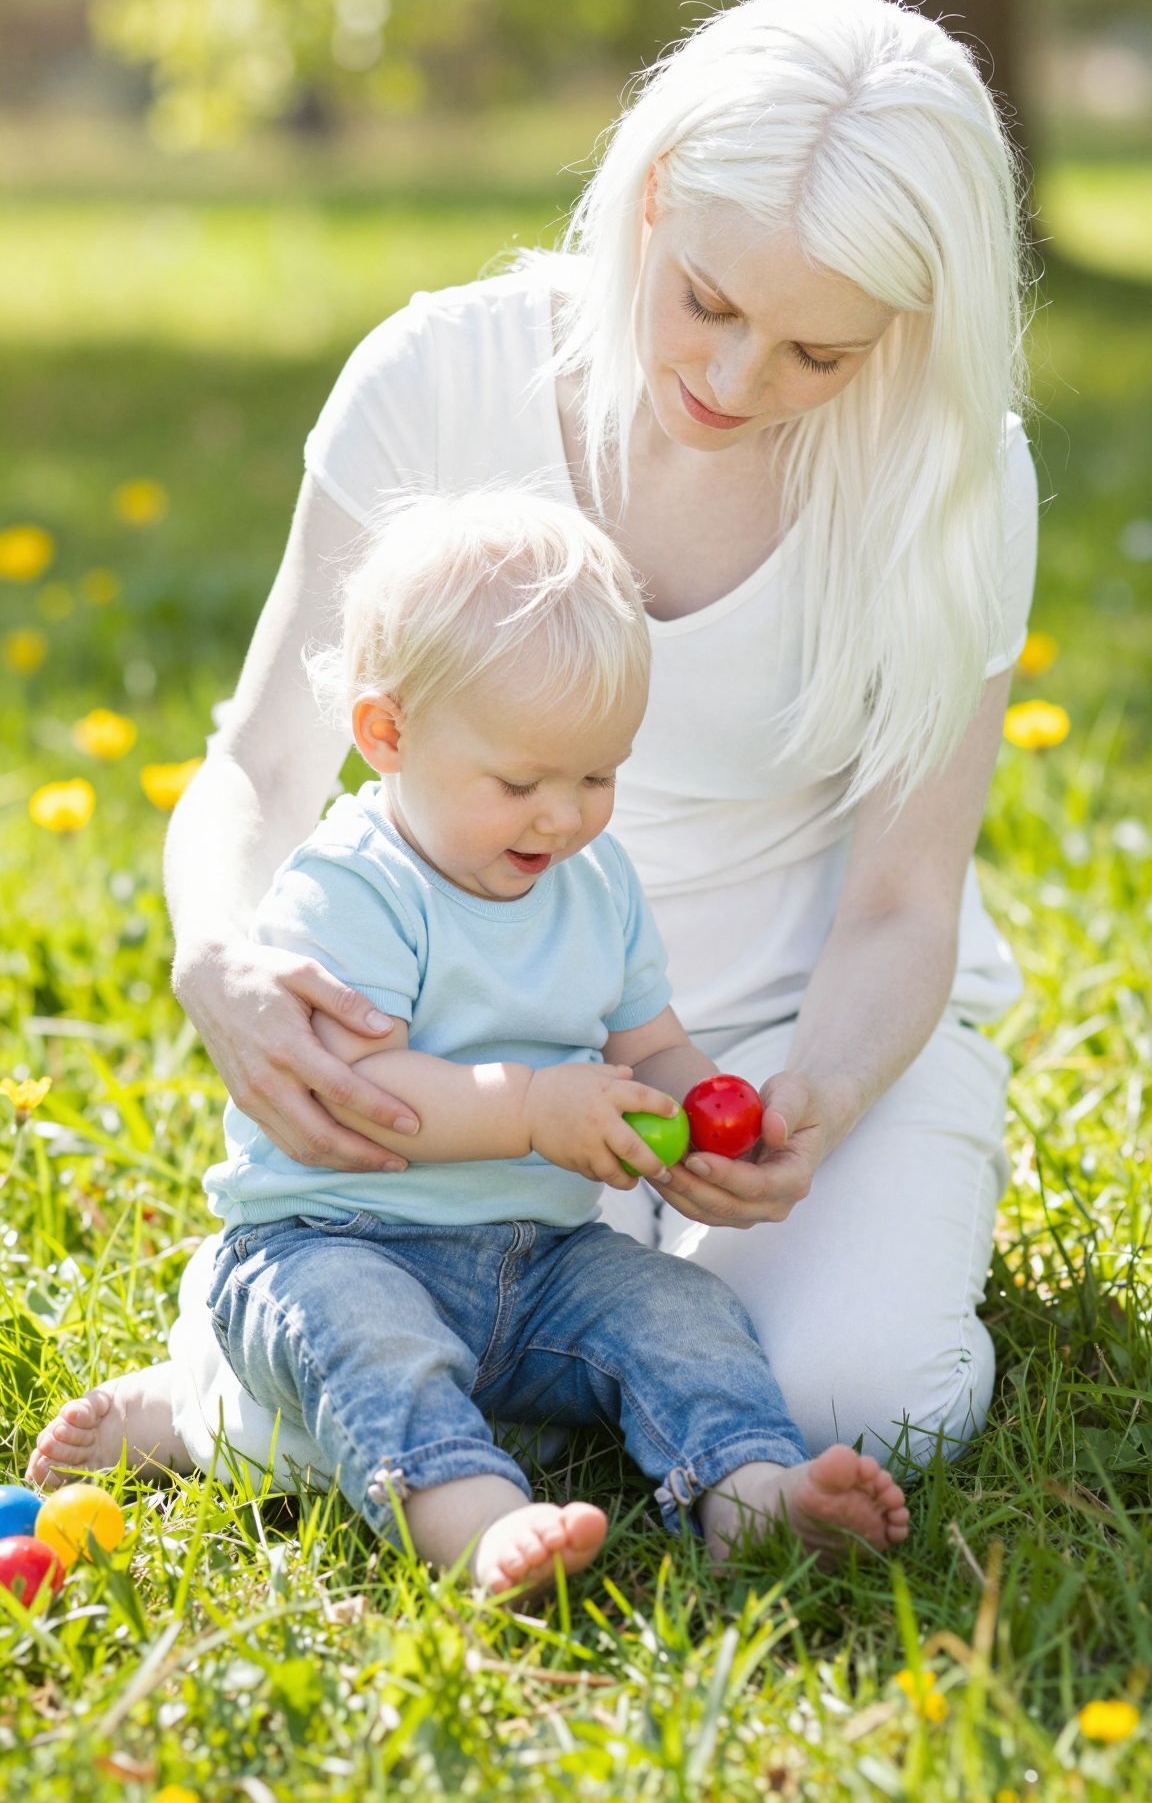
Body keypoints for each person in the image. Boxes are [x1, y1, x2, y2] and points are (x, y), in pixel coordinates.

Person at [28, 0, 1038, 1502]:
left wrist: (816, 1097)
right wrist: (215, 959)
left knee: (860, 1401)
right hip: (463, 1050)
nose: (735, 380)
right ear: (650, 199)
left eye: (817, 353)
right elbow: (257, 765)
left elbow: (905, 901)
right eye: (707, 299)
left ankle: (392, 1373)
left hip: (768, 1040)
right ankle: (321, 1369)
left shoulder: (951, 482)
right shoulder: (442, 376)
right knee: (463, 1359)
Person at [159, 489, 914, 1591]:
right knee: (371, 1341)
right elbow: (362, 1083)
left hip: (540, 1257)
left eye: (598, 775)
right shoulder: (353, 884)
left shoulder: (592, 880)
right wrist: (531, 1106)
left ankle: (753, 1492)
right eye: (520, 782)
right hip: (338, 1240)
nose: (562, 817)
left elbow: (650, 1041)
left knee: (682, 1309)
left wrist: (716, 1110)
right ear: (388, 734)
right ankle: (480, 1524)